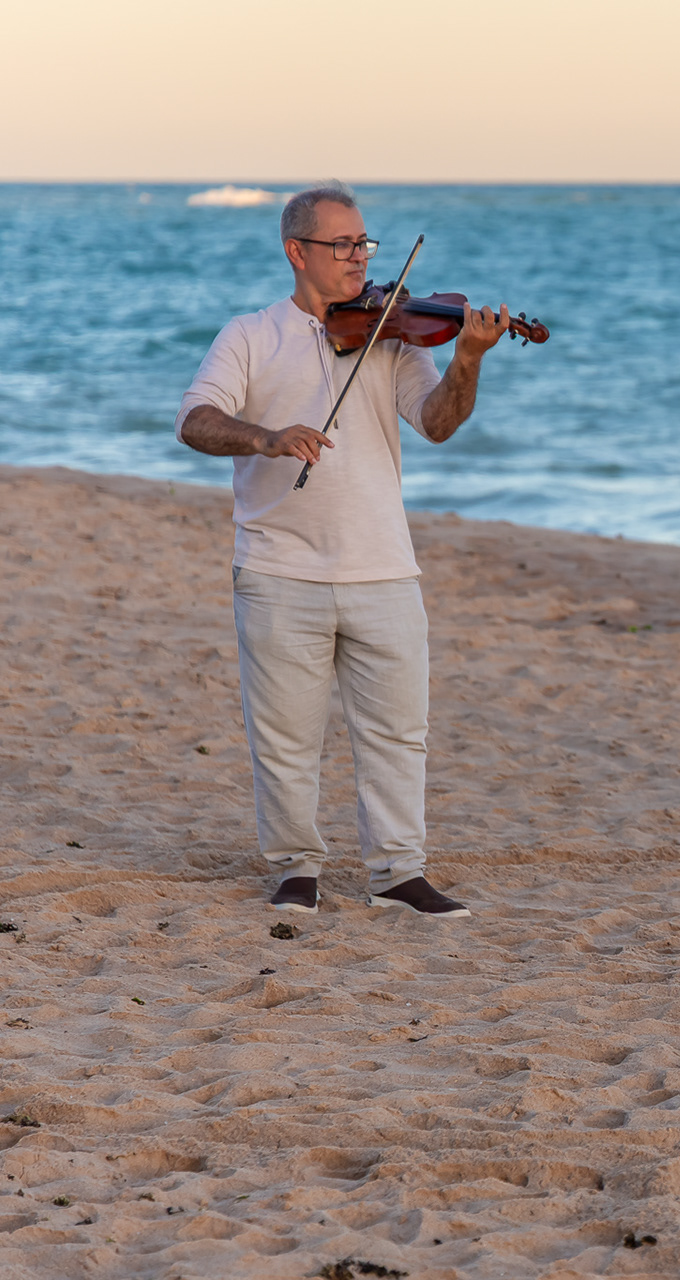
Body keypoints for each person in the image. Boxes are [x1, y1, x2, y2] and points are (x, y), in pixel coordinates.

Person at [177, 181, 512, 918]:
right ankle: (296, 869)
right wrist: (266, 437)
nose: (360, 257)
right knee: (285, 737)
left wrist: (469, 359)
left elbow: (438, 422)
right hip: (278, 568)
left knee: (398, 734)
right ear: (297, 252)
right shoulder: (251, 335)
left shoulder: (392, 332)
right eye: (343, 245)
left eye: (364, 243)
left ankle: (399, 873)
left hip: (384, 567)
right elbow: (195, 421)